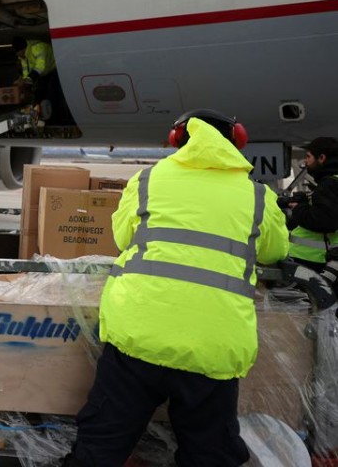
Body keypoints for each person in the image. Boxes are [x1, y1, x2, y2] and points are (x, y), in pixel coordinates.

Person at [64, 109, 289, 467]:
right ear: (236, 143)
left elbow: (123, 237)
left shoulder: (149, 180)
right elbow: (277, 250)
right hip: (212, 346)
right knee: (209, 453)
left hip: (138, 335)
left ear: (176, 139)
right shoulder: (257, 196)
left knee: (100, 445)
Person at [286, 136, 338, 273]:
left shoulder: (329, 185)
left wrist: (298, 208)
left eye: (308, 157)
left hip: (314, 260)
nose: (305, 161)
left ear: (321, 158)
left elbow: (324, 220)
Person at [11, 36, 66, 125]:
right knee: (39, 94)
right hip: (42, 73)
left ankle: (57, 118)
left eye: (17, 52)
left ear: (23, 49)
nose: (17, 55)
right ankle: (42, 116)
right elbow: (26, 69)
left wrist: (28, 79)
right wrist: (24, 81)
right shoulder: (23, 56)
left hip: (54, 68)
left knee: (53, 92)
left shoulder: (38, 47)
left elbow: (41, 66)